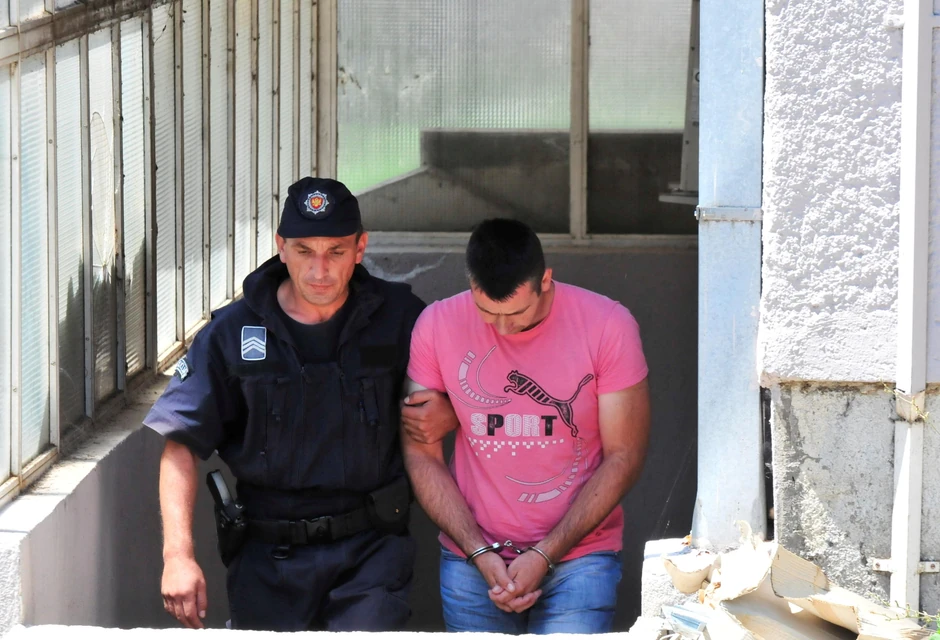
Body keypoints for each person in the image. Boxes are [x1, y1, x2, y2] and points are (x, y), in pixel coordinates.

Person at [144, 177, 454, 631]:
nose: (319, 270)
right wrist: (178, 557)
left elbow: (481, 387)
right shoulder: (233, 333)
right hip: (268, 558)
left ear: (361, 248)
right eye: (305, 251)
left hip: (371, 552)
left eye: (336, 251)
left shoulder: (400, 318)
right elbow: (180, 445)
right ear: (281, 248)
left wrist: (451, 412)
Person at [400, 218, 651, 634]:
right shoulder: (436, 323)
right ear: (471, 283)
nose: (502, 328)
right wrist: (478, 552)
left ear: (545, 280)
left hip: (580, 558)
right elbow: (420, 453)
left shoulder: (608, 324)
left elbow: (625, 456)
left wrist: (545, 554)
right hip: (472, 561)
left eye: (517, 313)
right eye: (487, 312)